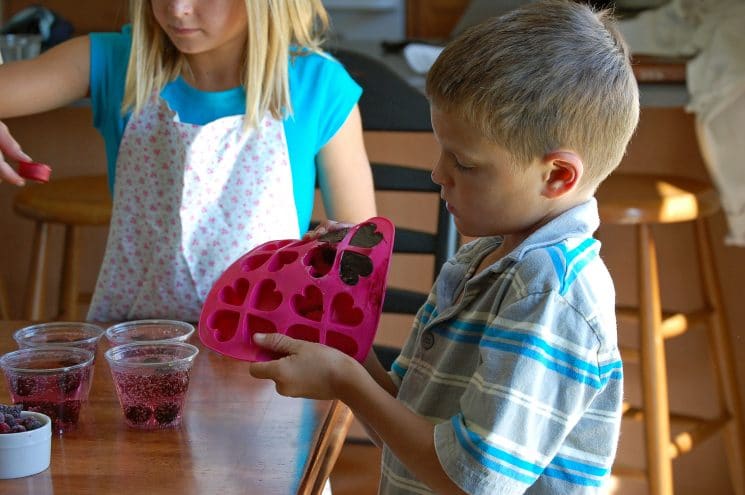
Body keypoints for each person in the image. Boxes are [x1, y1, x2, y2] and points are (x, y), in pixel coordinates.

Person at [248, 1, 639, 493]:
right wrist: (340, 330)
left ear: (558, 176)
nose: (438, 174)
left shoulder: (548, 293)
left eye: (464, 163)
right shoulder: (480, 260)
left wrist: (346, 383)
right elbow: (404, 416)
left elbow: (471, 482)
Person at [0, 0, 376, 322]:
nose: (177, 9)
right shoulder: (117, 62)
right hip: (130, 354)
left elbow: (361, 261)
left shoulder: (319, 86)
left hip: (261, 357)